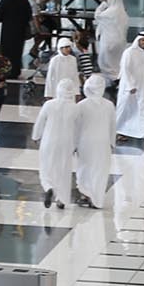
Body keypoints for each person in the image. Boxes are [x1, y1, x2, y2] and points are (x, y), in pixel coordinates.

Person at [32, 79, 84, 209]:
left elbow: (40, 122)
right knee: (63, 169)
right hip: (66, 142)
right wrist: (76, 144)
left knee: (46, 167)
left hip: (49, 140)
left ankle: (48, 187)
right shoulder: (75, 108)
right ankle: (61, 199)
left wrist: (36, 136)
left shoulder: (49, 104)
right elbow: (78, 128)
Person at [73, 74, 116, 209]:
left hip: (85, 142)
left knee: (84, 168)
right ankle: (97, 199)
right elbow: (113, 126)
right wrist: (112, 143)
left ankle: (85, 194)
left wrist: (74, 144)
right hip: (103, 143)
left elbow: (76, 126)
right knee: (100, 170)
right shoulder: (109, 105)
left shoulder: (81, 105)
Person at [113, 30, 144, 140]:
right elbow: (125, 70)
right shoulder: (129, 52)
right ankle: (118, 131)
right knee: (124, 109)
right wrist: (131, 85)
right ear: (138, 40)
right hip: (129, 87)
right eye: (143, 40)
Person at [0, 0, 32, 69]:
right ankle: (16, 70)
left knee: (6, 52)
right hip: (20, 32)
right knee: (17, 52)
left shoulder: (4, 1)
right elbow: (29, 16)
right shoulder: (24, 1)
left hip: (7, 32)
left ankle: (6, 70)